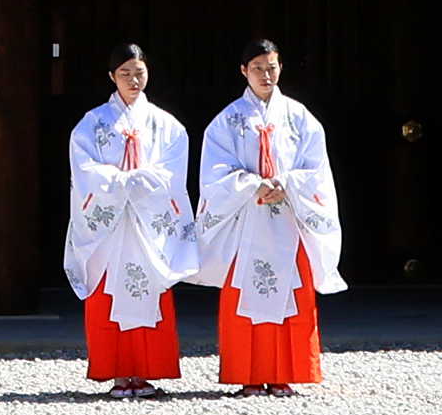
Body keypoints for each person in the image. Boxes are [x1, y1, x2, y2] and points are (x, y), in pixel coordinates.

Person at [195, 39, 343, 392]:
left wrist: (285, 182)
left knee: (294, 293)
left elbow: (316, 167)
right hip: (248, 217)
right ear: (244, 71)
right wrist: (253, 185)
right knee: (244, 294)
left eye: (272, 66)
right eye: (258, 67)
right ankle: (247, 375)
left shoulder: (299, 117)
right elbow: (215, 172)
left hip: (289, 217)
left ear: (281, 68)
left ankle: (285, 374)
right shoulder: (227, 121)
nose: (266, 74)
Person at [64, 44, 196, 393]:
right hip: (110, 225)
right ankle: (118, 372)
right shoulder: (92, 124)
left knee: (149, 289)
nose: (133, 80)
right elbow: (84, 168)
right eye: (125, 73)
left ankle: (146, 372)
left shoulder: (166, 124)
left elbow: (172, 170)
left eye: (139, 72)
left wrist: (139, 182)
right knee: (107, 293)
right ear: (111, 77)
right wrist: (121, 182)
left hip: (147, 223)